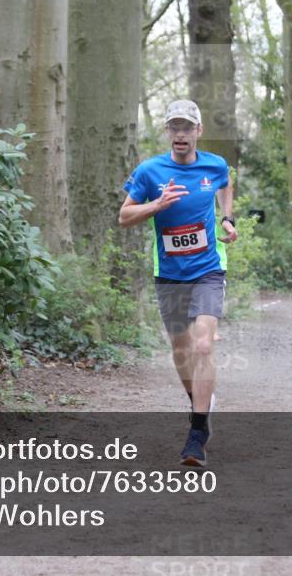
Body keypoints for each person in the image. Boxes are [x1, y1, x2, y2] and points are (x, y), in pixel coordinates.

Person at [119, 99, 237, 466]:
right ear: (168, 132)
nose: (181, 134)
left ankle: (198, 432)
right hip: (169, 274)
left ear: (198, 131)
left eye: (187, 127)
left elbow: (226, 184)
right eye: (175, 127)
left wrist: (227, 218)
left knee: (203, 346)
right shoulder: (150, 171)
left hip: (208, 269)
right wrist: (156, 206)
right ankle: (198, 401)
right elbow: (124, 216)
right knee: (181, 350)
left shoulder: (214, 165)